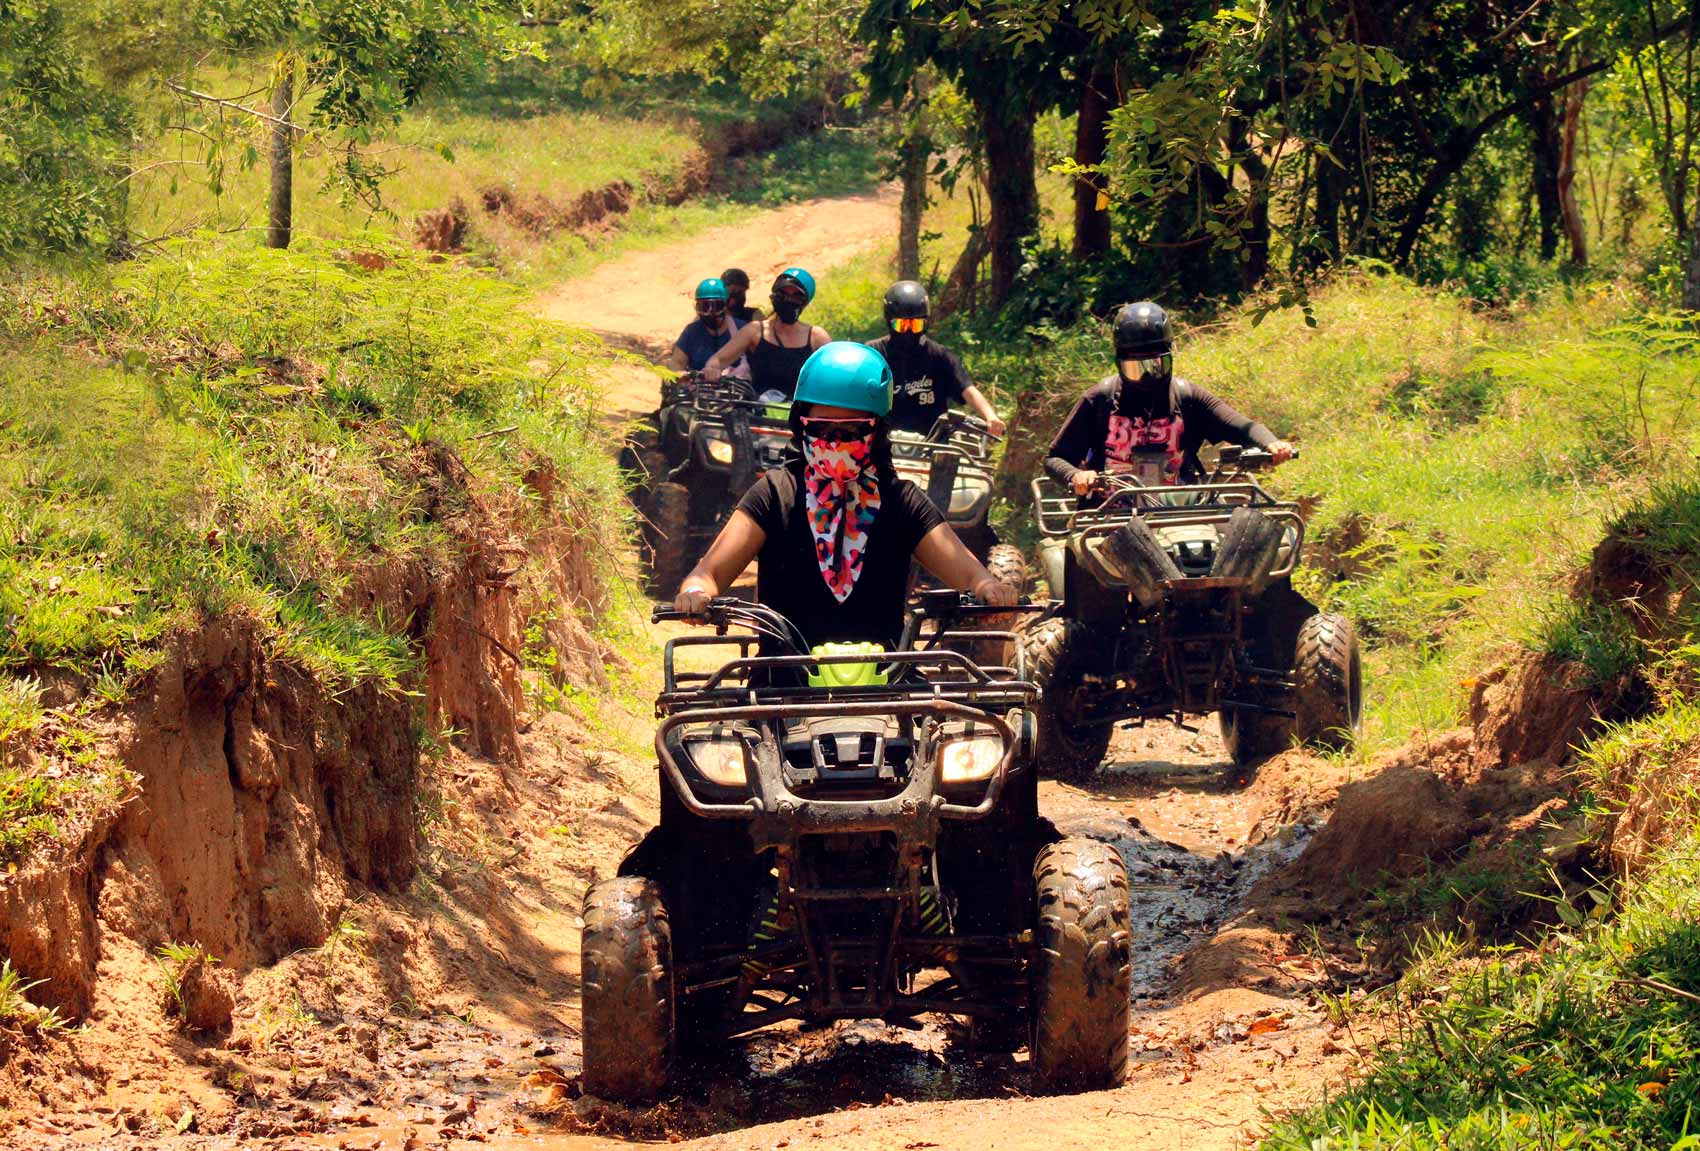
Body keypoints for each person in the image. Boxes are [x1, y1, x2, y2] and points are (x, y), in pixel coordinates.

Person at [674, 342, 1017, 649]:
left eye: (852, 430)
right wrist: (695, 593)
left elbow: (969, 572)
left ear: (877, 432)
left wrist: (987, 587)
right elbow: (709, 573)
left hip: (883, 688)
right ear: (799, 426)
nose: (835, 442)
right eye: (821, 429)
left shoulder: (901, 500)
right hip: (780, 689)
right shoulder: (774, 494)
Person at [1044, 300, 1295, 496]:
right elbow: (1055, 458)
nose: (1146, 378)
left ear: (1169, 357)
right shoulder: (1098, 400)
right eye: (1135, 368)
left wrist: (1271, 443)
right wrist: (1075, 475)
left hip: (1180, 510)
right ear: (1120, 364)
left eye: (1155, 366)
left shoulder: (1189, 397)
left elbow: (1241, 426)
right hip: (1108, 514)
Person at [867, 281, 1006, 437]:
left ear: (926, 323)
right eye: (902, 325)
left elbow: (967, 389)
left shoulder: (939, 356)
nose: (909, 331)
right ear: (889, 322)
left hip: (932, 446)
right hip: (878, 444)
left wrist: (990, 416)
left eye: (916, 325)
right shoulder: (873, 355)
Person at [702, 267, 830, 399]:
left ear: (805, 302)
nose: (788, 300)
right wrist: (712, 370)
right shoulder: (755, 331)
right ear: (774, 296)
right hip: (758, 414)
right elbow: (717, 361)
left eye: (796, 296)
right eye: (783, 294)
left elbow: (833, 378)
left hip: (798, 415)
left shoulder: (817, 337)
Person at [666, 278, 745, 373]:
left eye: (716, 306)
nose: (711, 313)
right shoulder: (691, 332)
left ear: (725, 305)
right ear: (697, 307)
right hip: (698, 386)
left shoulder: (742, 329)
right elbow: (677, 363)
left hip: (736, 386)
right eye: (705, 307)